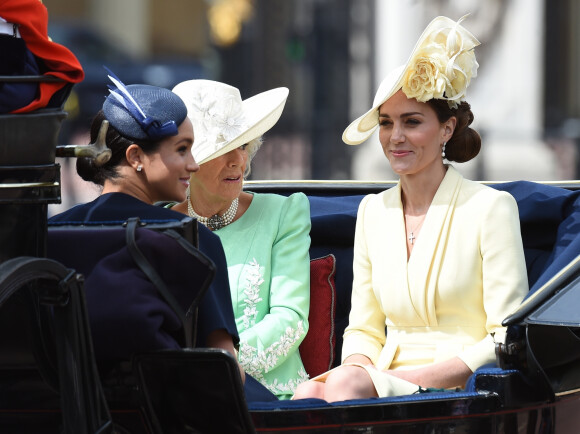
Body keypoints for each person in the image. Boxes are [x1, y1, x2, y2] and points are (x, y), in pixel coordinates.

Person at [293, 15, 529, 402]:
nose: (395, 137)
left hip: (458, 385)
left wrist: (411, 377)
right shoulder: (373, 211)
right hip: (382, 376)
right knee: (306, 393)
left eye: (412, 121)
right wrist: (359, 368)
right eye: (386, 123)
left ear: (447, 129)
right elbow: (363, 330)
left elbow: (505, 336)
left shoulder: (491, 208)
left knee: (340, 386)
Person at [48, 71, 243, 381]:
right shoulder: (193, 239)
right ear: (136, 156)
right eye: (182, 149)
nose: (193, 164)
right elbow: (226, 371)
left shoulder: (52, 233)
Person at [170, 79, 311, 399]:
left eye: (243, 144)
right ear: (189, 160)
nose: (238, 160)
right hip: (181, 396)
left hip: (271, 396)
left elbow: (291, 319)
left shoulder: (284, 213)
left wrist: (219, 368)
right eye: (221, 150)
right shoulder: (163, 225)